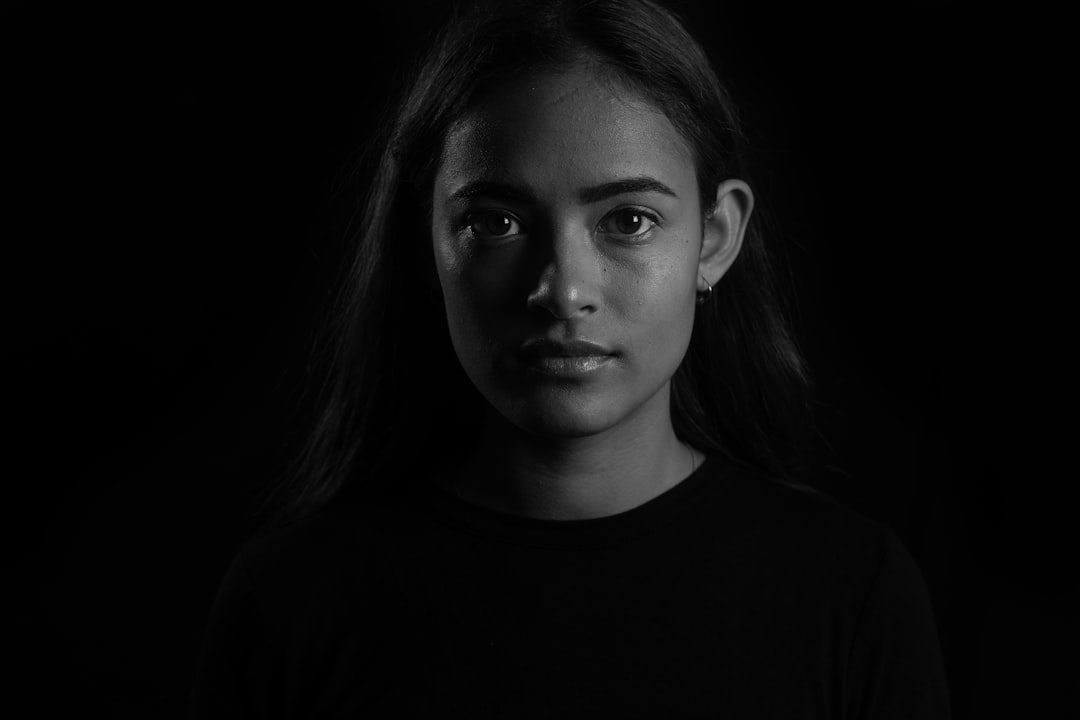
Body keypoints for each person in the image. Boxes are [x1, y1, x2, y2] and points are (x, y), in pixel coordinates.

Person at [190, 0, 952, 716]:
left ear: (715, 239)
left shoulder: (850, 596)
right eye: (495, 221)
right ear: (426, 240)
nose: (562, 290)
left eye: (629, 219)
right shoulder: (293, 600)